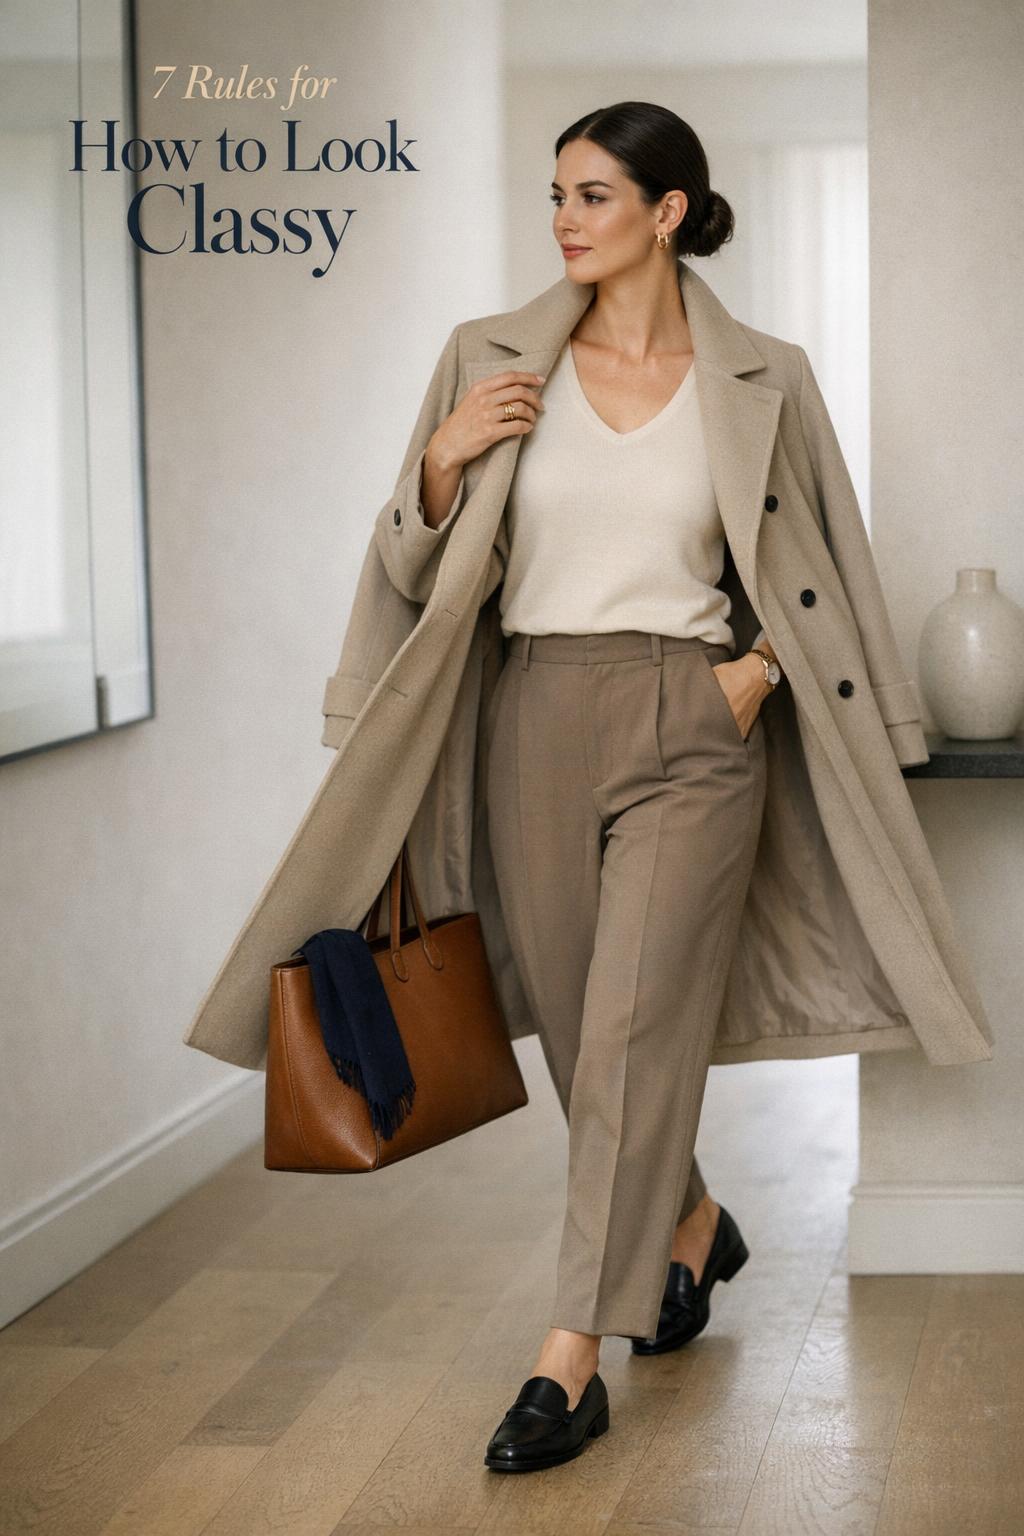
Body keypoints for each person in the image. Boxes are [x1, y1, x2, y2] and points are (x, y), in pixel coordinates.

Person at [416, 101, 786, 1472]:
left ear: (669, 210)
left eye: (594, 196)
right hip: (536, 710)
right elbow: (412, 566)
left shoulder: (762, 378)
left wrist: (748, 677)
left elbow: (817, 574)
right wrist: (442, 464)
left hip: (693, 721)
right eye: (554, 196)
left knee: (628, 1030)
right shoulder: (492, 358)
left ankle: (568, 1360)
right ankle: (692, 1226)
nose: (564, 220)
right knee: (583, 1039)